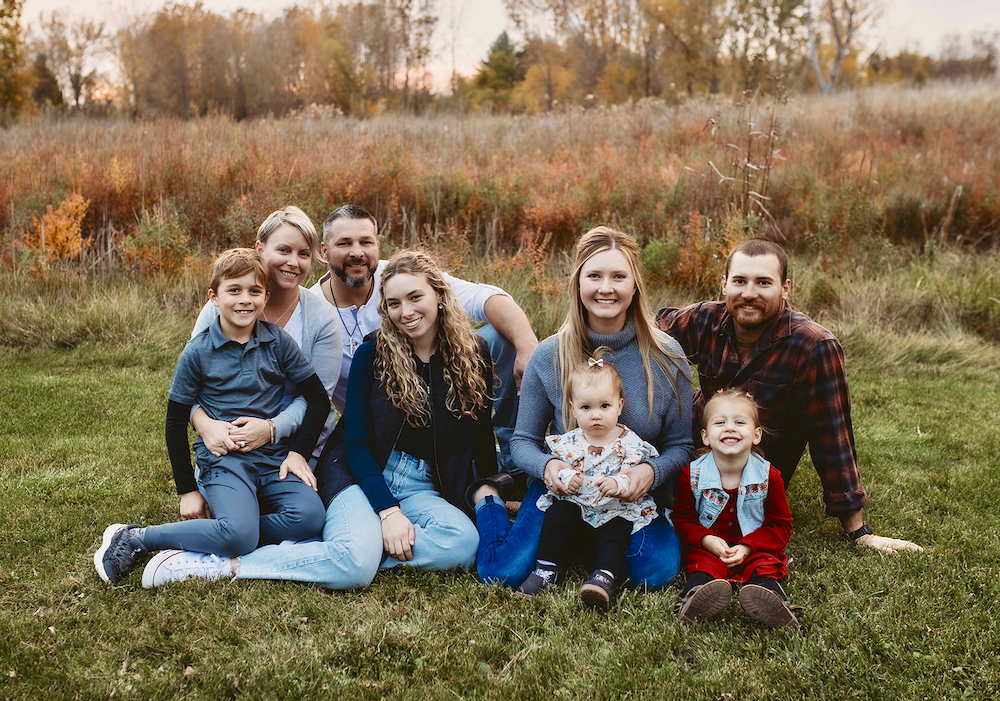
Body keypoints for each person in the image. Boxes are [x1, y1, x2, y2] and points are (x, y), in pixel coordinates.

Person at [142, 207, 381, 591]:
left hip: (288, 448)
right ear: (260, 249)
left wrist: (272, 431)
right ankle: (189, 533)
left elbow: (314, 398)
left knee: (302, 519)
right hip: (228, 447)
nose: (293, 262)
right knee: (241, 523)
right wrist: (205, 427)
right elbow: (188, 394)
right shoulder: (219, 309)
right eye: (283, 250)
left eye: (304, 254)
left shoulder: (319, 317)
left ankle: (236, 535)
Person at [657, 238, 923, 555]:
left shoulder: (812, 346)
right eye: (740, 281)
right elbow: (647, 331)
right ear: (724, 284)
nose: (749, 293)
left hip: (752, 481)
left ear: (785, 288)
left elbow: (832, 435)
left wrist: (859, 532)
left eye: (763, 283)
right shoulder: (705, 320)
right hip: (693, 460)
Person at [473, 226, 694, 591]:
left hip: (627, 499)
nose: (605, 288)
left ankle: (583, 544)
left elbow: (681, 445)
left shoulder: (667, 356)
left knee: (655, 572)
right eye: (594, 276)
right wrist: (550, 466)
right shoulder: (548, 355)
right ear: (578, 283)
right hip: (563, 492)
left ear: (635, 284)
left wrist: (650, 473)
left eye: (618, 276)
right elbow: (523, 440)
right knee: (503, 573)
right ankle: (491, 502)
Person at [95, 249, 329, 585]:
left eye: (254, 291)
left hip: (273, 459)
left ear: (265, 295)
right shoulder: (198, 352)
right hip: (224, 460)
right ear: (214, 297)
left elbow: (318, 399)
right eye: (234, 290)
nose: (244, 300)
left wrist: (297, 453)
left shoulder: (278, 342)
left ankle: (226, 527)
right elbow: (175, 421)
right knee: (240, 538)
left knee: (310, 518)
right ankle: (138, 537)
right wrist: (187, 490)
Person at [312, 204, 538, 469]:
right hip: (381, 424)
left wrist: (527, 346)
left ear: (376, 245)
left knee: (500, 336)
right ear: (325, 251)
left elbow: (485, 297)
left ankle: (514, 460)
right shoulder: (313, 310)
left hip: (446, 406)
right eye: (344, 243)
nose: (357, 253)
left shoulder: (399, 277)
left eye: (366, 242)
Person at [337, 249, 498, 571]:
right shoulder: (372, 354)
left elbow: (481, 433)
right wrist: (388, 511)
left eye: (415, 297)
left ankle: (360, 550)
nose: (406, 312)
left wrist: (491, 486)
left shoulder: (473, 352)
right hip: (363, 473)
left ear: (439, 295)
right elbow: (355, 444)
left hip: (423, 484)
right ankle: (229, 565)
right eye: (394, 304)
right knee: (355, 563)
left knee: (463, 543)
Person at [515, 348, 661, 610]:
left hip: (612, 509)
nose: (596, 414)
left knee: (618, 529)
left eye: (604, 406)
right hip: (577, 506)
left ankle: (603, 576)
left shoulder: (630, 443)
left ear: (620, 405)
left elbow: (635, 473)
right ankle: (546, 570)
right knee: (558, 514)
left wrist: (620, 484)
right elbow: (559, 466)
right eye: (586, 407)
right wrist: (565, 476)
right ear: (572, 408)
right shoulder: (569, 442)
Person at [673, 389, 802, 628]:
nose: (730, 428)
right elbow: (683, 518)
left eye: (739, 422)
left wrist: (747, 546)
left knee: (764, 567)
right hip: (710, 548)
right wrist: (707, 540)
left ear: (756, 435)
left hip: (753, 547)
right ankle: (695, 599)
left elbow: (780, 524)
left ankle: (774, 603)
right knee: (702, 567)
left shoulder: (768, 477)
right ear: (705, 436)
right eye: (720, 422)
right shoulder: (692, 476)